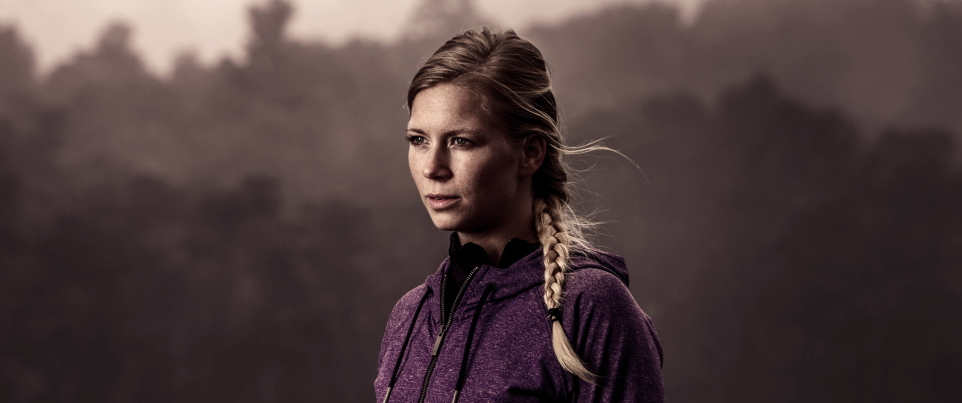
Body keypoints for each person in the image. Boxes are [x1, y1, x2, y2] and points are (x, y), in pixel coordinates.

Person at [375, 27, 664, 402]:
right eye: (418, 140)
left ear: (530, 153)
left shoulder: (589, 307)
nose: (433, 167)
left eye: (461, 141)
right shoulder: (409, 316)